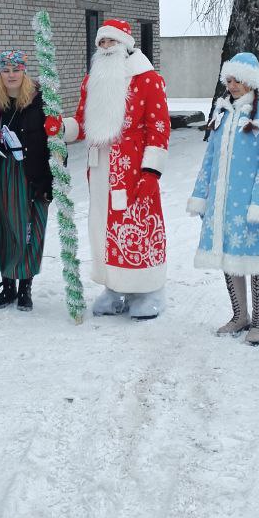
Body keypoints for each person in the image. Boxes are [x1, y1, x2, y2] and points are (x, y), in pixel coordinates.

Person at [49, 19, 170, 318]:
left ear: (125, 45)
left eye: (111, 42)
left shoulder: (148, 79)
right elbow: (81, 123)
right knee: (104, 227)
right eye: (101, 43)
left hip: (133, 169)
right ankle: (115, 287)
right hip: (101, 168)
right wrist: (60, 127)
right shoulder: (92, 81)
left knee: (136, 227)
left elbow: (158, 127)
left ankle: (147, 291)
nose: (105, 48)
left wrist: (151, 171)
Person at [187, 52, 259, 345]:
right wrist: (201, 196)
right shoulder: (222, 113)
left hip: (251, 205)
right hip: (222, 204)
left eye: (237, 80)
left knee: (255, 259)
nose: (232, 86)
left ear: (251, 81)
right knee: (228, 255)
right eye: (228, 80)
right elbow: (209, 159)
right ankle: (239, 315)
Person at [0, 49, 53, 312]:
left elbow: (54, 141)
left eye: (15, 70)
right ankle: (7, 287)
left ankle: (25, 288)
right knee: (3, 228)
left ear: (23, 71)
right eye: (6, 70)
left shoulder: (41, 102)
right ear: (0, 73)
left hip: (30, 176)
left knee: (29, 231)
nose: (11, 75)